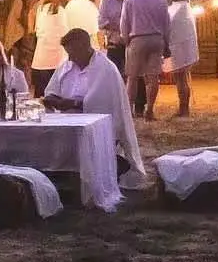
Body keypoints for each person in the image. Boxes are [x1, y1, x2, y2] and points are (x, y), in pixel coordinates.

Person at [43, 29, 146, 189]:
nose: (70, 58)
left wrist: (75, 104)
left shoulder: (106, 69)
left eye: (73, 53)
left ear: (85, 47)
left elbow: (106, 105)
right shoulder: (66, 66)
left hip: (96, 128)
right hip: (66, 124)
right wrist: (52, 100)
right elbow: (51, 90)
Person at [120, 0, 171, 121]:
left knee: (133, 77)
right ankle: (149, 110)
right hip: (156, 39)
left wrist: (126, 39)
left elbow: (124, 20)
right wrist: (166, 44)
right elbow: (166, 24)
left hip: (138, 38)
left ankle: (129, 111)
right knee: (153, 76)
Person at [166, 0, 200, 117]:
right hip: (186, 48)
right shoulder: (187, 8)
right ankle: (184, 107)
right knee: (183, 78)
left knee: (180, 79)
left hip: (178, 48)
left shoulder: (176, 9)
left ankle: (183, 109)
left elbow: (168, 25)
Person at [31, 0, 68, 97]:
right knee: (55, 93)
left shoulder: (41, 10)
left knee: (40, 92)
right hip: (57, 58)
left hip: (41, 59)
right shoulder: (61, 11)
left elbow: (37, 30)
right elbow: (65, 31)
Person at [97, 0, 130, 78]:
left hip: (131, 43)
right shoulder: (106, 0)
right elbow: (101, 22)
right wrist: (120, 27)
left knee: (132, 75)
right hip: (114, 43)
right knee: (114, 74)